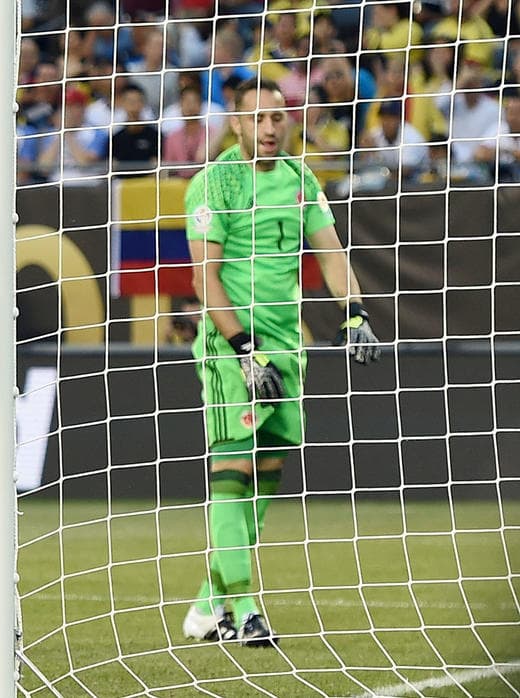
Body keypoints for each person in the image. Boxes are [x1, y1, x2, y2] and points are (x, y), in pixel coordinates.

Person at [181, 77, 382, 647]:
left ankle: (209, 605)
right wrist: (243, 348)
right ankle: (243, 610)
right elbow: (205, 279)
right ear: (236, 124)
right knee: (233, 474)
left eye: (278, 117)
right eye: (258, 119)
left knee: (264, 484)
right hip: (231, 350)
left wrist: (354, 313)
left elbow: (332, 253)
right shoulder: (214, 183)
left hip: (289, 350)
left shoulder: (301, 179)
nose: (270, 128)